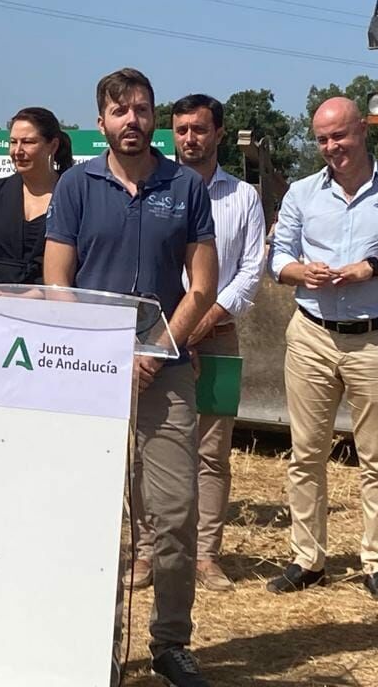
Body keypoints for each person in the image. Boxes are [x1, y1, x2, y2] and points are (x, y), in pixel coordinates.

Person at [45, 68, 218, 687]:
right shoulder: (75, 185)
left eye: (143, 110)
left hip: (165, 374)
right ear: (101, 123)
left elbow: (203, 286)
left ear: (154, 117)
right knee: (89, 510)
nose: (132, 121)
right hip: (88, 369)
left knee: (173, 513)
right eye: (120, 112)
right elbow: (56, 279)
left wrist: (153, 347)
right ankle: (90, 638)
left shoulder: (185, 187)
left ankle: (170, 642)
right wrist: (103, 352)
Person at [266, 96, 378, 604]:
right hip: (312, 335)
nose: (331, 147)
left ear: (362, 131)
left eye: (340, 136)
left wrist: (374, 266)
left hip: (375, 340)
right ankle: (307, 558)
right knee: (305, 454)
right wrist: (303, 272)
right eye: (322, 139)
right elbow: (279, 258)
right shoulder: (302, 193)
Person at [127, 94, 265, 593]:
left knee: (211, 451)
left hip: (219, 337)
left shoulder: (243, 197)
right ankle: (146, 554)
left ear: (219, 134)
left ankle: (206, 556)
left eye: (200, 129)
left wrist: (207, 318)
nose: (190, 138)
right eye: (181, 129)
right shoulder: (157, 187)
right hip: (156, 340)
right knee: (146, 445)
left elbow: (252, 270)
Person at [0, 107, 74, 590]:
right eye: (12, 142)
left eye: (27, 141)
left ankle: (34, 541)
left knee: (39, 439)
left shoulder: (72, 195)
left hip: (48, 337)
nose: (17, 150)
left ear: (51, 145)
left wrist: (41, 296)